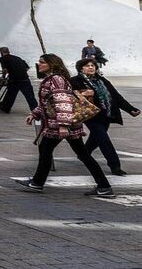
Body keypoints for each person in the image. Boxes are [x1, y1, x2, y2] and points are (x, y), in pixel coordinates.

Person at [16, 54, 113, 196]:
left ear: (52, 64)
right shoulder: (55, 79)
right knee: (80, 154)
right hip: (64, 124)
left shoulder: (56, 80)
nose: (39, 64)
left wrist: (63, 125)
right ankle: (104, 186)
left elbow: (63, 103)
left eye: (42, 62)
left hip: (60, 125)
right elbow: (48, 103)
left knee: (47, 149)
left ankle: (37, 183)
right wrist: (35, 113)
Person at [72, 58, 138, 177]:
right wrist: (83, 93)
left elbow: (116, 97)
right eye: (87, 66)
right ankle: (115, 166)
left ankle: (83, 154)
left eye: (93, 65)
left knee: (96, 138)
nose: (91, 67)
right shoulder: (75, 81)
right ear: (81, 68)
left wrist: (130, 109)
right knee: (103, 139)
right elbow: (71, 96)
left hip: (106, 115)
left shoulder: (102, 80)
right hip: (90, 115)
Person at [0, 47, 37, 112]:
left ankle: (6, 108)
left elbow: (4, 70)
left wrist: (3, 77)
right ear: (8, 51)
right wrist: (20, 72)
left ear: (1, 52)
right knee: (30, 96)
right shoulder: (17, 58)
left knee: (10, 94)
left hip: (14, 79)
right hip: (25, 79)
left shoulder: (2, 58)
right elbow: (27, 68)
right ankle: (35, 110)